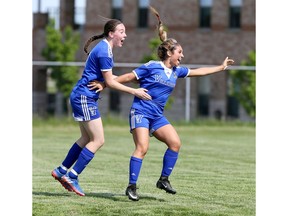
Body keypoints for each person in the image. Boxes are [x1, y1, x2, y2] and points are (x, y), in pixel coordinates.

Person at [90, 6, 234, 201]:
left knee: (175, 143)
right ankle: (132, 186)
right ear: (169, 53)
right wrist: (105, 84)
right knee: (143, 148)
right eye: (179, 53)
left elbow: (199, 72)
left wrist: (221, 67)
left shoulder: (177, 71)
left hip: (157, 116)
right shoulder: (151, 66)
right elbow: (128, 77)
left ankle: (163, 180)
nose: (182, 57)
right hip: (140, 112)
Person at [51, 18, 151, 197]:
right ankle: (72, 176)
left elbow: (108, 78)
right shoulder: (105, 50)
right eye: (121, 31)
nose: (125, 35)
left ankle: (61, 170)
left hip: (82, 96)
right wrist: (134, 91)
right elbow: (111, 82)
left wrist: (124, 79)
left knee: (85, 138)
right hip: (85, 97)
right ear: (111, 33)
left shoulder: (105, 48)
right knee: (98, 140)